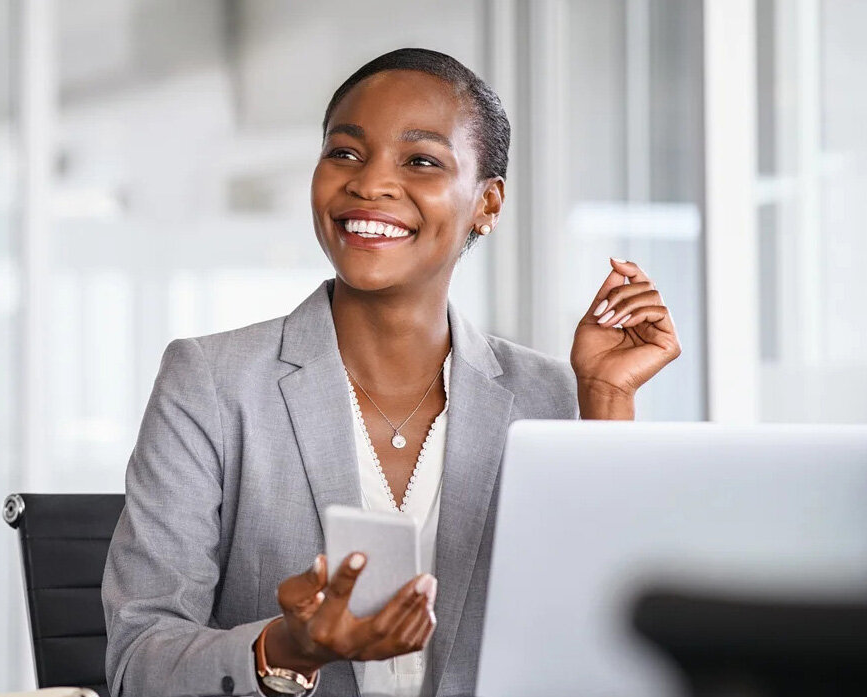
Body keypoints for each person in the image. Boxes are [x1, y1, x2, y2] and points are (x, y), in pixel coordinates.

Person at [102, 48, 681, 697]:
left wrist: (605, 397)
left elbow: (606, 645)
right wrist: (289, 647)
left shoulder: (546, 395)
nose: (370, 183)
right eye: (345, 153)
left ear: (487, 203)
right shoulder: (210, 382)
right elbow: (138, 660)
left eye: (421, 160)